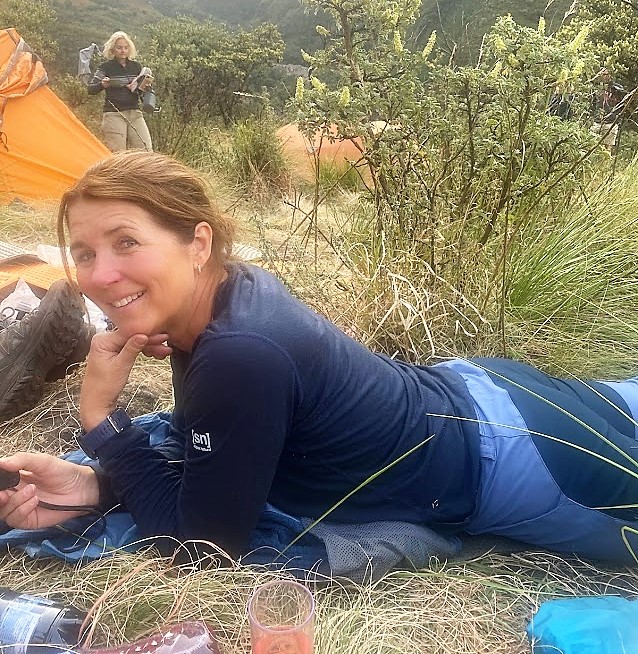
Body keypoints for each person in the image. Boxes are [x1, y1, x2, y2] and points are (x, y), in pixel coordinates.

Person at [0, 151, 637, 573]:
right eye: (85, 253)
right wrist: (96, 486)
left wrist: (103, 422)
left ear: (197, 243)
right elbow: (228, 462)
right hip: (484, 394)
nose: (100, 275)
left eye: (127, 242)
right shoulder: (225, 295)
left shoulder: (239, 353)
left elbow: (201, 550)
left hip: (527, 462)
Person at [87, 31, 153, 152]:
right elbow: (91, 89)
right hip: (114, 113)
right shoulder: (106, 67)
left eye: (126, 48)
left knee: (146, 151)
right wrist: (102, 85)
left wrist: (142, 86)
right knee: (118, 153)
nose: (123, 51)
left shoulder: (136, 66)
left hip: (134, 112)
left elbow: (141, 92)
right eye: (119, 48)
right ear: (112, 49)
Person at [590, 67, 625, 153]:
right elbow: (592, 103)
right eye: (602, 75)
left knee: (608, 148)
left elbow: (622, 94)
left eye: (606, 74)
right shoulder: (596, 88)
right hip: (597, 121)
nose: (604, 76)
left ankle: (606, 161)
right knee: (591, 145)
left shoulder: (616, 87)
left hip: (611, 121)